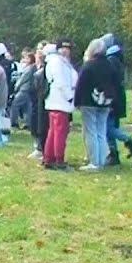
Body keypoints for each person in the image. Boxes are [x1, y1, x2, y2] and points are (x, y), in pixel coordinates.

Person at [101, 35, 132, 165]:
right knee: (110, 127)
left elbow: (110, 81)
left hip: (113, 99)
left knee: (108, 128)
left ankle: (130, 142)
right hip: (117, 98)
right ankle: (113, 155)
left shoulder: (111, 60)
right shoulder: (116, 59)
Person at [74, 37, 114, 171]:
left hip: (89, 102)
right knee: (101, 132)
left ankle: (94, 162)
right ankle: (101, 160)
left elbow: (81, 85)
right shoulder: (110, 65)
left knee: (90, 132)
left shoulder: (89, 65)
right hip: (106, 102)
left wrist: (77, 101)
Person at [43, 40, 78, 170]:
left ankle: (49, 158)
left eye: (68, 48)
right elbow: (61, 82)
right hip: (60, 101)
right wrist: (69, 97)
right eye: (63, 48)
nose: (66, 51)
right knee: (60, 132)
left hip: (57, 101)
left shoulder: (58, 62)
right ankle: (59, 159)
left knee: (54, 131)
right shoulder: (57, 62)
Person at [10, 51, 35, 130]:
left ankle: (13, 122)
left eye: (27, 58)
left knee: (15, 104)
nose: (25, 60)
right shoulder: (32, 68)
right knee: (27, 107)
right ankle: (28, 123)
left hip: (23, 89)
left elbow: (22, 79)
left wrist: (16, 87)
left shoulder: (29, 68)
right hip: (28, 90)